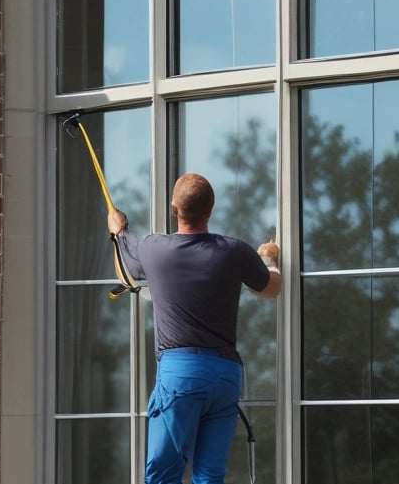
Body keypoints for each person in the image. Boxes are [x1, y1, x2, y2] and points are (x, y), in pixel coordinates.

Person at [107, 172, 281, 484]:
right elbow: (271, 288)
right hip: (225, 374)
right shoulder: (235, 251)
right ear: (211, 208)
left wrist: (118, 231)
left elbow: (124, 271)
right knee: (210, 476)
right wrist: (269, 258)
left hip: (181, 374)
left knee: (162, 475)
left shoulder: (153, 249)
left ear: (174, 210)